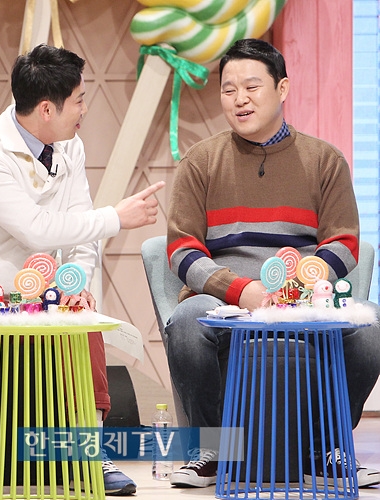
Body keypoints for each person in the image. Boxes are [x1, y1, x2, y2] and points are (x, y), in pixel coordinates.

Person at [0, 43, 165, 496]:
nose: (84, 110)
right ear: (46, 109)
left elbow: (79, 230)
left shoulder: (70, 147)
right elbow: (36, 229)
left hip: (43, 299)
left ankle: (91, 451)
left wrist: (77, 280)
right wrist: (117, 217)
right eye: (78, 100)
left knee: (86, 326)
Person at [165, 38, 380, 489]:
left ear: (282, 89)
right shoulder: (201, 161)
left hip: (303, 296)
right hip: (225, 299)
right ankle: (214, 449)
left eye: (251, 87)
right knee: (185, 322)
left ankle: (324, 448)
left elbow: (344, 243)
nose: (239, 99)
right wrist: (241, 290)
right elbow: (182, 250)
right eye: (228, 89)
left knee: (370, 326)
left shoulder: (324, 160)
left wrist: (297, 286)